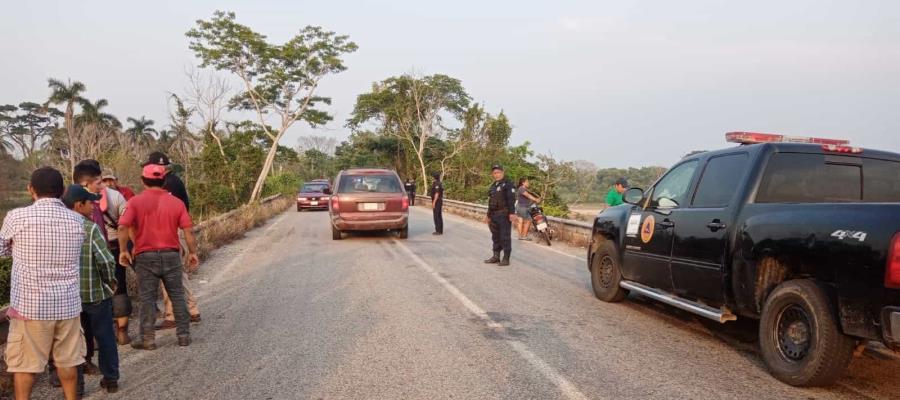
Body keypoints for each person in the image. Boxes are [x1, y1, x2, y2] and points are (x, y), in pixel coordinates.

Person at [0, 167, 86, 400]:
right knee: (68, 361)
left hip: (31, 306)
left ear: (30, 190)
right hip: (67, 305)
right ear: (63, 191)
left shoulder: (16, 217)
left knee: (25, 365)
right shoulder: (77, 220)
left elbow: (2, 250)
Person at [118, 163, 200, 349]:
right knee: (177, 295)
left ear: (143, 180)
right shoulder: (176, 203)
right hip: (171, 254)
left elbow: (123, 226)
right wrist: (192, 252)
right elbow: (188, 230)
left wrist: (124, 250)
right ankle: (183, 335)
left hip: (145, 257)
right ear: (163, 180)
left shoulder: (135, 202)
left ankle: (147, 339)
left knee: (147, 298)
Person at [62, 185, 120, 394]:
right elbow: (105, 260)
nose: (93, 206)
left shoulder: (58, 227)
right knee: (104, 337)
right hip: (95, 294)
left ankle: (76, 388)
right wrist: (110, 281)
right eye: (90, 202)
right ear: (79, 205)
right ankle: (111, 379)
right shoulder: (90, 228)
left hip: (69, 298)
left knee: (73, 343)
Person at [74, 161, 132, 348]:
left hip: (83, 255)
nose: (102, 186)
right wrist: (124, 249)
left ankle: (93, 340)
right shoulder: (116, 196)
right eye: (99, 182)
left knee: (89, 295)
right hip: (113, 247)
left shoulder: (71, 199)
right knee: (118, 287)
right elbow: (124, 225)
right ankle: (121, 332)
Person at [143, 152, 202, 329]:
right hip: (178, 230)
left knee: (171, 274)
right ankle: (191, 310)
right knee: (177, 273)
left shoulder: (168, 184)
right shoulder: (174, 181)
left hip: (173, 231)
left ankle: (173, 315)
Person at [484, 165, 516, 266]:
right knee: (495, 236)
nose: (496, 174)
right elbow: (491, 202)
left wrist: (512, 213)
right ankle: (496, 256)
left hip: (504, 214)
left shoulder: (508, 184)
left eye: (498, 172)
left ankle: (506, 259)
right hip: (493, 214)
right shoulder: (493, 185)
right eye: (494, 173)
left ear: (502, 172)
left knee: (505, 236)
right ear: (492, 174)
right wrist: (488, 215)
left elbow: (511, 200)